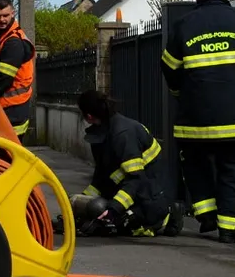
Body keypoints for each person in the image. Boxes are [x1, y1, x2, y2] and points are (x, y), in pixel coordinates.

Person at [160, 0, 235, 243]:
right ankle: (229, 229)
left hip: (194, 118)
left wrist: (180, 92)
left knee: (195, 166)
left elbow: (169, 68)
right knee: (232, 169)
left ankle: (208, 216)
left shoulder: (183, 25)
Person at [56, 90, 182, 238]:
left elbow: (135, 179)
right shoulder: (101, 134)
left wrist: (114, 210)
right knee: (95, 214)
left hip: (150, 195)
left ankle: (170, 214)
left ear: (88, 116)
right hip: (135, 191)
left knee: (114, 221)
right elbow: (102, 176)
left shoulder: (123, 135)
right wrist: (81, 201)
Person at [0, 0, 36, 137]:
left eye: (5, 15)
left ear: (13, 13)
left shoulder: (13, 43)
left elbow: (3, 79)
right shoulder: (6, 36)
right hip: (14, 106)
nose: (2, 20)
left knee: (7, 154)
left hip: (12, 107)